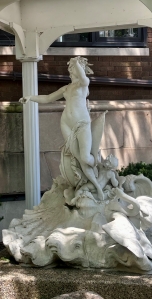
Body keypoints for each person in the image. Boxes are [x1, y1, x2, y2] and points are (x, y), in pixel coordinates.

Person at [19, 56, 104, 201]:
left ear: (79, 70)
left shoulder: (84, 85)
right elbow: (47, 98)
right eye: (70, 69)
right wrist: (30, 97)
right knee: (77, 157)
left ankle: (96, 164)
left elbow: (83, 78)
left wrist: (76, 62)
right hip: (66, 123)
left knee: (85, 157)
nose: (70, 72)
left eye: (72, 69)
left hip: (82, 123)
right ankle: (92, 185)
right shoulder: (66, 88)